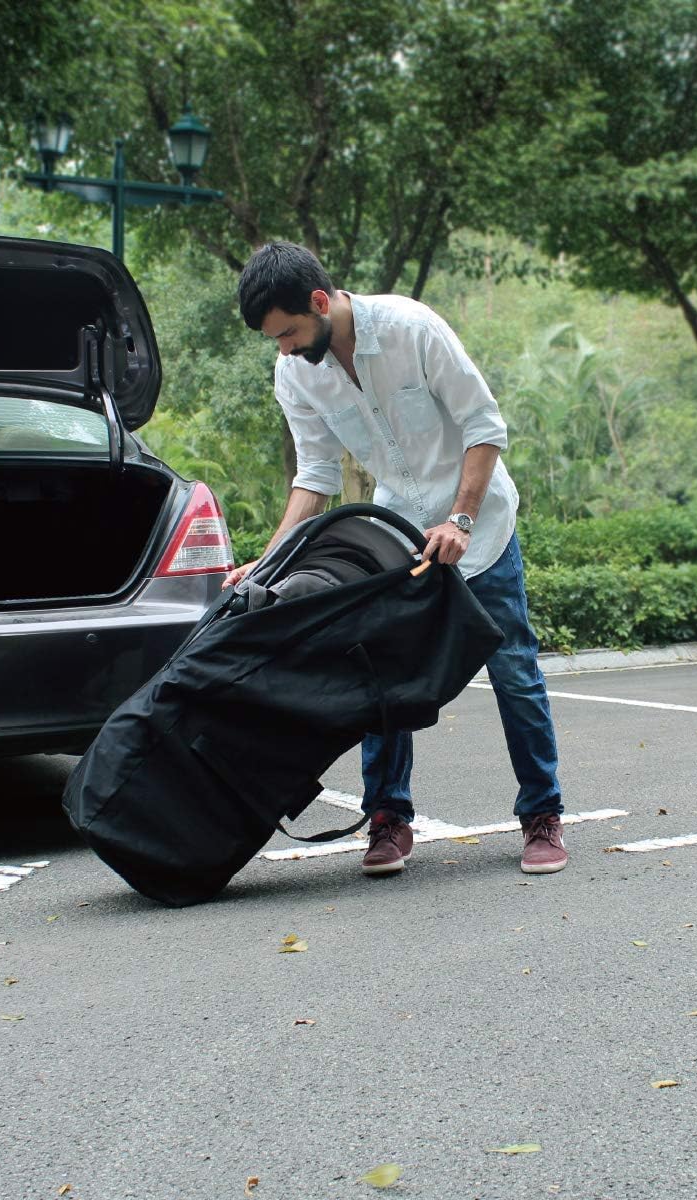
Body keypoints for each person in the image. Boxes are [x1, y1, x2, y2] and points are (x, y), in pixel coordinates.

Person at [227, 241, 566, 876]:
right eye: (275, 340)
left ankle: (542, 816)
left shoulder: (412, 328)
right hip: (397, 534)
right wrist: (269, 561)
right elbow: (317, 474)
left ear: (320, 302)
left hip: (480, 527)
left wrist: (460, 519)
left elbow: (484, 426)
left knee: (514, 673)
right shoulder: (296, 371)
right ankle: (388, 819)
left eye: (290, 333)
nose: (285, 349)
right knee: (381, 679)